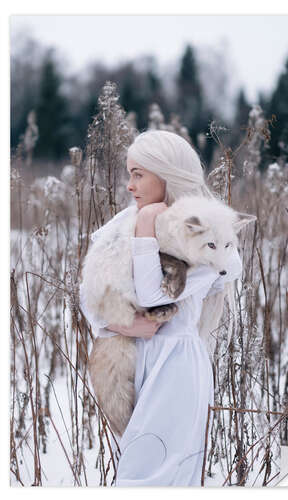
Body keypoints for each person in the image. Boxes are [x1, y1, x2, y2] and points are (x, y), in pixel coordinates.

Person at [80, 130, 243, 486]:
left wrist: (145, 225)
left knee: (151, 479)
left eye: (138, 174)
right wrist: (123, 326)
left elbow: (155, 295)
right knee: (139, 474)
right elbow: (88, 298)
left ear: (165, 174)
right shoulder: (122, 225)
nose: (129, 185)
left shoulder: (209, 235)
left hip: (175, 364)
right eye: (129, 174)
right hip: (131, 361)